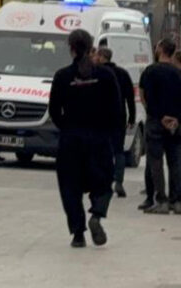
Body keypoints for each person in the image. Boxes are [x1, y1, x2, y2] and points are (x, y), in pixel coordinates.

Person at [50, 29, 124, 248]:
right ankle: (97, 215)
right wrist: (110, 134)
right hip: (99, 139)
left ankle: (78, 234)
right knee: (103, 182)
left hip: (71, 140)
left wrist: (67, 127)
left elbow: (54, 110)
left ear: (71, 49)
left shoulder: (63, 76)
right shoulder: (106, 76)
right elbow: (117, 109)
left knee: (70, 187)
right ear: (91, 48)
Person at [138, 38, 181, 215]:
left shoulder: (150, 71)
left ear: (161, 49)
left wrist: (159, 116)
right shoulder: (178, 73)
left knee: (155, 161)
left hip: (156, 121)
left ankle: (160, 199)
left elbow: (144, 96)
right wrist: (175, 118)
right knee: (175, 161)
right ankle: (176, 201)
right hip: (176, 123)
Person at [93, 47, 137, 198]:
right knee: (118, 150)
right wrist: (132, 117)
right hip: (119, 116)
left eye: (97, 55)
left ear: (101, 57)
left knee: (100, 149)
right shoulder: (122, 73)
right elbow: (130, 97)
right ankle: (118, 181)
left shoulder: (96, 73)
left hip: (100, 117)